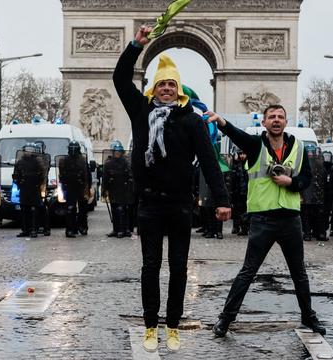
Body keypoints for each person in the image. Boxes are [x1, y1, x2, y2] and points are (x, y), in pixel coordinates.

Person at [113, 25, 231, 352]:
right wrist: (135, 47)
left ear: (178, 91)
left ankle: (173, 325)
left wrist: (221, 200)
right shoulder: (141, 110)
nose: (166, 88)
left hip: (180, 205)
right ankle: (151, 324)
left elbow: (209, 160)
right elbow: (121, 79)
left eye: (171, 85)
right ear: (154, 89)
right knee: (150, 266)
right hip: (149, 204)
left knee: (179, 267)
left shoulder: (192, 120)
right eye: (161, 84)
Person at [206, 104, 326, 338]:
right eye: (271, 117)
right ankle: (225, 319)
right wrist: (221, 121)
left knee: (299, 273)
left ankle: (309, 317)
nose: (276, 120)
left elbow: (307, 178)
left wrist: (290, 183)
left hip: (291, 218)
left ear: (286, 121)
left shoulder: (299, 147)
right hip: (263, 219)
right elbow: (236, 134)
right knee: (248, 272)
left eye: (280, 116)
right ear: (264, 123)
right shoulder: (255, 145)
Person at [13, 143, 47, 238]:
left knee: (34, 210)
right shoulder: (20, 162)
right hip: (24, 189)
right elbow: (16, 174)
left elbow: (42, 175)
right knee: (24, 209)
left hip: (34, 189)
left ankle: (34, 229)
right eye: (27, 150)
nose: (28, 152)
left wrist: (38, 185)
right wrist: (19, 182)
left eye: (30, 150)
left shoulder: (38, 162)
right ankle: (25, 229)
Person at [102, 141, 134, 238]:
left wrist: (130, 188)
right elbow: (105, 178)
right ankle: (115, 229)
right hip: (113, 189)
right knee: (114, 210)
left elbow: (130, 176)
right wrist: (104, 190)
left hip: (124, 190)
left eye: (119, 152)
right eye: (116, 152)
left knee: (122, 210)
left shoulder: (125, 163)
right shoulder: (108, 164)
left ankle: (123, 229)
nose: (117, 153)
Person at [58, 141, 90, 238]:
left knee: (82, 208)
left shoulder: (82, 160)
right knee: (70, 209)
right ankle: (70, 229)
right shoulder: (64, 160)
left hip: (80, 186)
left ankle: (82, 227)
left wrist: (86, 187)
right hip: (70, 187)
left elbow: (86, 174)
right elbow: (61, 174)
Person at [301, 145, 328, 241]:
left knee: (319, 214)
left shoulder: (320, 163)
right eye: (310, 153)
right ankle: (307, 233)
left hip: (318, 193)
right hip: (307, 193)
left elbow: (324, 176)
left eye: (312, 152)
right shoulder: (303, 163)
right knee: (306, 214)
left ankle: (319, 232)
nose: (311, 154)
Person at [230, 146, 249, 236]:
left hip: (246, 192)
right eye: (240, 154)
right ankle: (237, 226)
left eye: (243, 153)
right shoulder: (236, 165)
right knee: (237, 210)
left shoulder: (248, 165)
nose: (242, 155)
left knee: (245, 210)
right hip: (237, 192)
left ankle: (245, 228)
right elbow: (233, 180)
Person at [34, 140, 51, 237]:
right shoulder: (34, 159)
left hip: (42, 184)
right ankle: (35, 226)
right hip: (34, 185)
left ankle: (45, 227)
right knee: (36, 208)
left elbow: (44, 170)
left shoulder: (45, 157)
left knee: (42, 207)